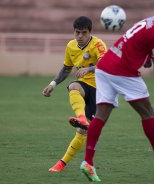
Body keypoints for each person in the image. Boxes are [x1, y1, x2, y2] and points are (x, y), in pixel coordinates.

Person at [73, 0, 154, 181]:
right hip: (122, 71)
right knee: (148, 112)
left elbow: (141, 46)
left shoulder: (150, 21)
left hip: (104, 67)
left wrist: (147, 56)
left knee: (101, 115)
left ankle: (88, 162)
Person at [42, 16, 107, 173]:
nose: (79, 36)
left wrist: (90, 69)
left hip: (101, 90)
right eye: (77, 32)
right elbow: (66, 69)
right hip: (84, 86)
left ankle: (63, 162)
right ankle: (82, 118)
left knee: (81, 133)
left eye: (83, 33)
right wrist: (53, 84)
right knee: (74, 86)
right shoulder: (71, 46)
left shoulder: (98, 44)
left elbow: (106, 64)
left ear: (90, 32)